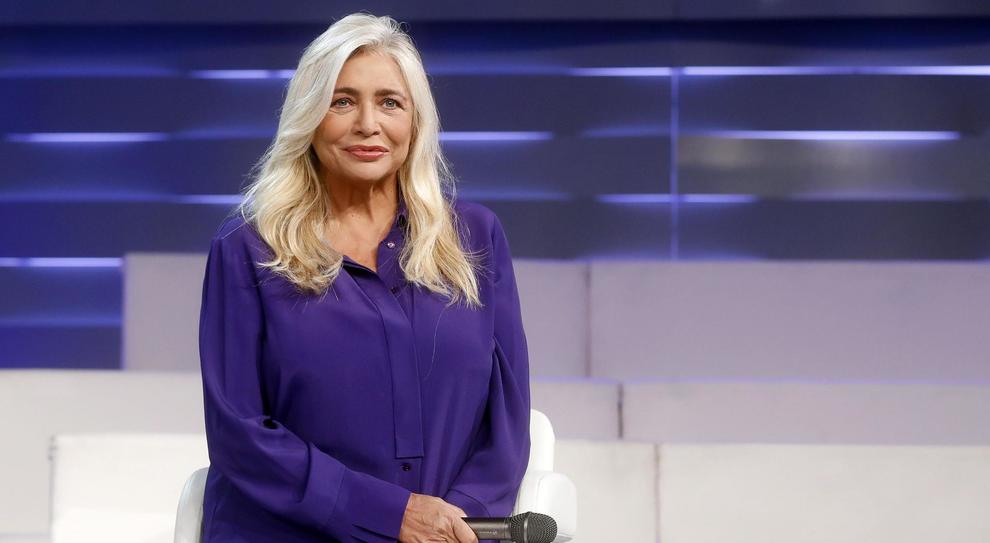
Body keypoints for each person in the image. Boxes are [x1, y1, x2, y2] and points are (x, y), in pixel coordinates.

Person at [197, 12, 531, 543]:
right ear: (309, 117)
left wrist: (456, 522)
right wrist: (389, 515)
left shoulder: (475, 236)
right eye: (342, 101)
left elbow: (507, 422)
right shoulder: (247, 247)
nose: (368, 124)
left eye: (390, 102)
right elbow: (238, 434)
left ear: (416, 122)